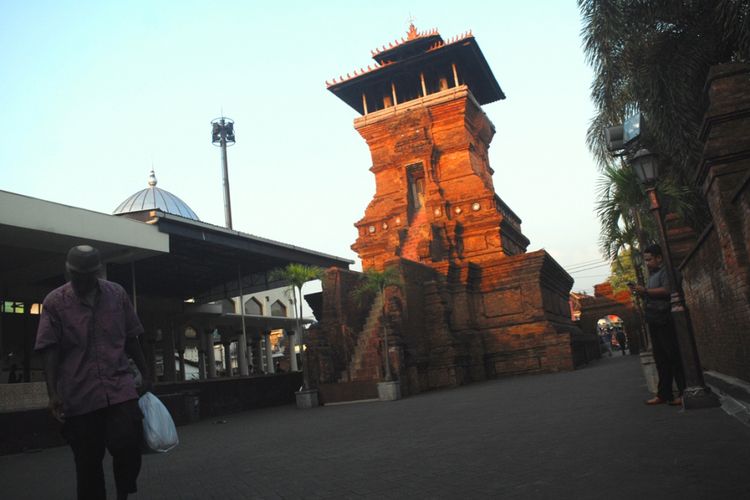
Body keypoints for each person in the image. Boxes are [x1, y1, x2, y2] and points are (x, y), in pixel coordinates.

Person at [34, 245, 152, 500]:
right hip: (79, 394)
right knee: (88, 464)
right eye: (76, 274)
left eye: (87, 274)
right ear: (68, 271)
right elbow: (49, 350)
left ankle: (123, 492)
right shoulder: (55, 302)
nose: (81, 279)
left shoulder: (116, 294)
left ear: (97, 272)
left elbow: (132, 337)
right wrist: (53, 393)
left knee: (129, 445)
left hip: (119, 386)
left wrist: (146, 372)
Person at [629, 244, 685, 406]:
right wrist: (642, 292)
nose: (647, 263)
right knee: (660, 359)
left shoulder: (667, 272)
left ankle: (683, 391)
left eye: (649, 259)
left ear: (659, 257)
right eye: (645, 260)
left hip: (666, 318)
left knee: (673, 356)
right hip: (654, 318)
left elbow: (668, 290)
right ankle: (664, 393)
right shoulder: (653, 275)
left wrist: (645, 291)